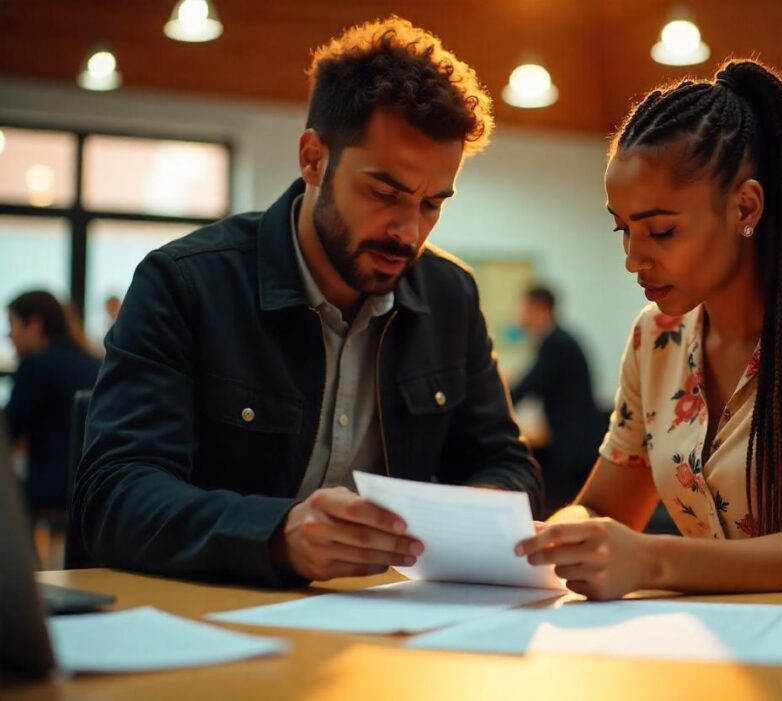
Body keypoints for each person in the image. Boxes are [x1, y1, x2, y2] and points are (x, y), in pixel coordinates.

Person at [72, 17, 541, 587]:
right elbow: (114, 494)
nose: (408, 231)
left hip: (388, 624)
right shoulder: (186, 284)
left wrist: (478, 512)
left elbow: (507, 464)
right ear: (314, 159)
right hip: (216, 611)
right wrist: (275, 534)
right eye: (384, 192)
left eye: (432, 203)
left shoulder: (449, 295)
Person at [516, 59, 782, 612]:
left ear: (745, 206)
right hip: (731, 645)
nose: (632, 259)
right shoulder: (657, 338)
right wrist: (559, 534)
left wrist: (651, 559)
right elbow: (602, 508)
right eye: (623, 230)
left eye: (661, 230)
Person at [511, 285, 605, 516]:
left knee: (557, 507)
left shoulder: (556, 343)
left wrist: (493, 406)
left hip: (572, 447)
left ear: (539, 307)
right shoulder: (557, 339)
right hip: (573, 440)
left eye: (523, 307)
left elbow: (528, 387)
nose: (519, 313)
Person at [6, 291, 100, 517]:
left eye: (13, 324)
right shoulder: (96, 364)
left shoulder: (35, 366)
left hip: (48, 490)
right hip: (93, 488)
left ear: (35, 324)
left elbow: (9, 430)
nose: (9, 335)